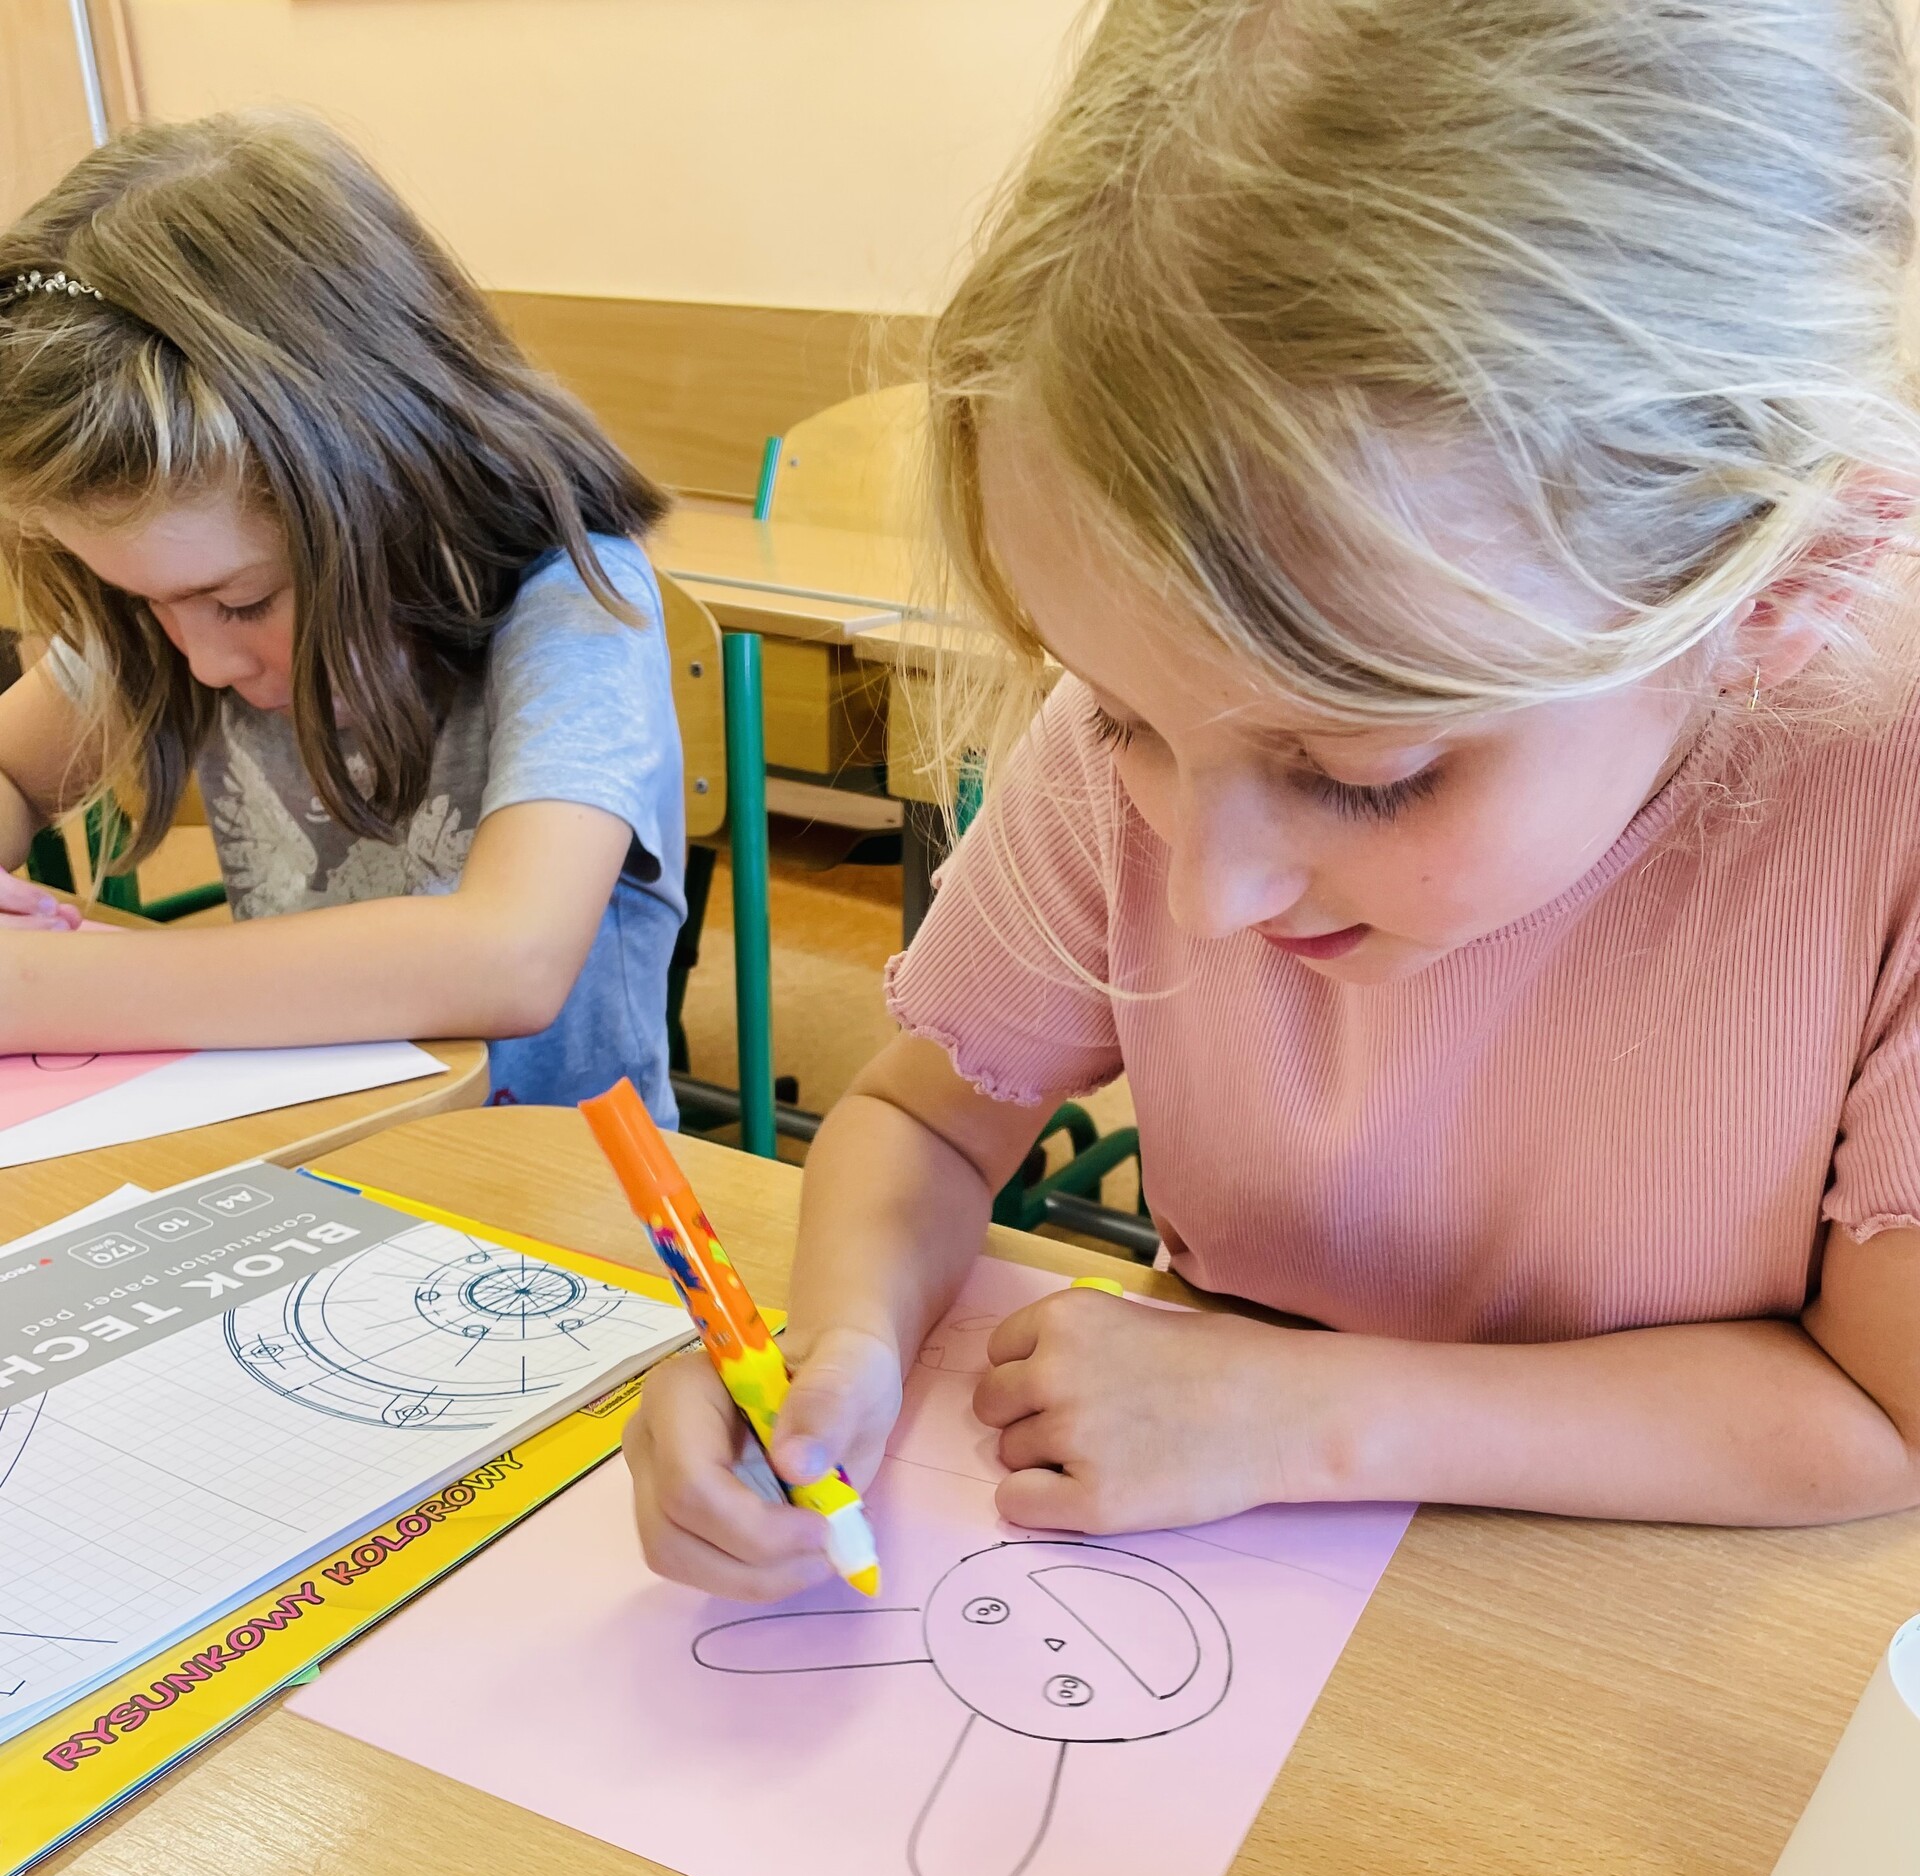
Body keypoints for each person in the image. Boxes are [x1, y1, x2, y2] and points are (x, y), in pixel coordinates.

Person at [630, 0, 1920, 1593]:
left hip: (1664, 1630)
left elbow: (1887, 1410)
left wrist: (1303, 1416)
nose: (1208, 892)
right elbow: (922, 1123)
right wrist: (838, 1350)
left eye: (1365, 773)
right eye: (1121, 719)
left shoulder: (1883, 787)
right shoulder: (1199, 710)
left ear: (1787, 579)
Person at [0, 112, 683, 1115]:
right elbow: (13, 769)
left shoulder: (574, 602)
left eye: (242, 601)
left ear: (386, 486)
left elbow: (513, 956)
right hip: (314, 1152)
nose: (200, 659)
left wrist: (41, 991)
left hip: (553, 1188)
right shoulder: (183, 605)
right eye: (143, 602)